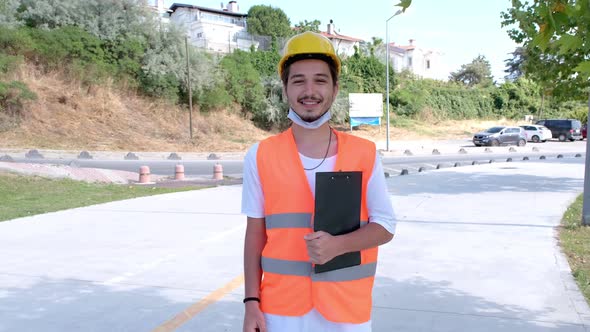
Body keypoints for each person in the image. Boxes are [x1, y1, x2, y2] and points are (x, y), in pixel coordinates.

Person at [241, 31, 396, 332]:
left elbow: (386, 225)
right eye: (298, 80)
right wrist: (250, 302)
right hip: (280, 311)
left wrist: (339, 245)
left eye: (320, 80)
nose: (309, 90)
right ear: (285, 88)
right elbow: (254, 236)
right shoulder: (260, 155)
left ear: (335, 89)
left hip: (347, 310)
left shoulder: (364, 153)